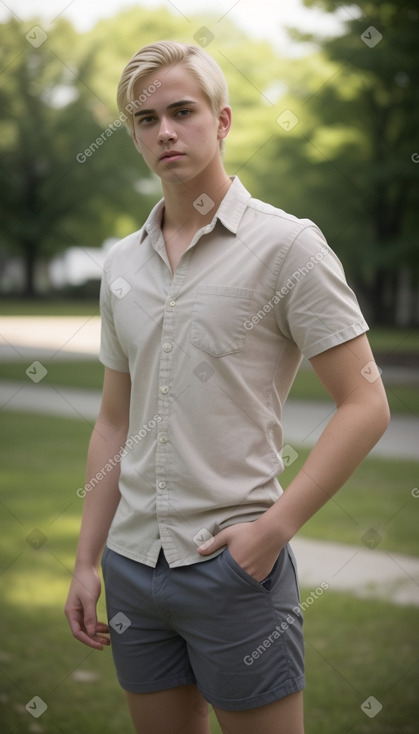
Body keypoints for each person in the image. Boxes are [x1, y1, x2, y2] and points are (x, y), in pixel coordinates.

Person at [64, 40, 390, 734]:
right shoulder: (122, 261)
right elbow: (112, 423)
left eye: (182, 111)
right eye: (145, 120)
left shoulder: (289, 246)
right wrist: (88, 559)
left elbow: (365, 404)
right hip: (129, 566)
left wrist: (272, 531)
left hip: (234, 566)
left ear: (222, 120)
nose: (165, 132)